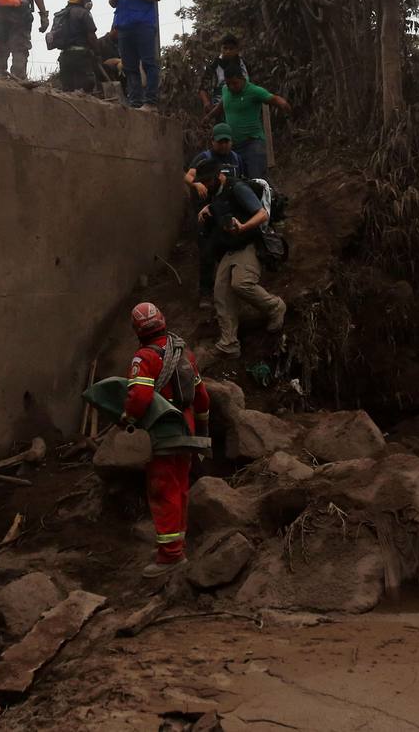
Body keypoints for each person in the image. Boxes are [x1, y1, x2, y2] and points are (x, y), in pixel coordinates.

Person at [121, 302, 211, 577]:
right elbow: (202, 398)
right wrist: (201, 429)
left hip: (165, 431)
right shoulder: (184, 354)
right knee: (180, 486)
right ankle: (176, 545)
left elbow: (140, 398)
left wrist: (128, 418)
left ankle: (170, 556)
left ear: (137, 330)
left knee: (163, 490)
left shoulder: (145, 358)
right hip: (186, 430)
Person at [195, 161, 286, 358]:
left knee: (241, 283)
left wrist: (243, 227)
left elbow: (262, 215)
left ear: (219, 175)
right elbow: (222, 203)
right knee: (220, 293)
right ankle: (229, 343)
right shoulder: (216, 193)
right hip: (229, 249)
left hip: (249, 244)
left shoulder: (238, 188)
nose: (205, 184)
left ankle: (275, 307)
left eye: (207, 180)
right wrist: (208, 209)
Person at [184, 126, 245, 302]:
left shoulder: (236, 159)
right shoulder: (204, 158)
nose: (224, 145)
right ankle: (205, 292)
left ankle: (232, 287)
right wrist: (196, 184)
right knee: (206, 251)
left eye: (227, 141)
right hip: (206, 211)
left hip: (227, 210)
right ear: (213, 141)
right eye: (220, 142)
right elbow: (188, 176)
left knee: (231, 247)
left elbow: (241, 180)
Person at [109, 0, 163, 108]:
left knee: (148, 63)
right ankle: (135, 102)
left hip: (144, 26)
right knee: (129, 67)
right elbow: (113, 4)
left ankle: (151, 101)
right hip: (124, 26)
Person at [219, 68, 291, 180]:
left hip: (253, 143)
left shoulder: (254, 91)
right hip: (234, 146)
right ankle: (276, 196)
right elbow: (222, 103)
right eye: (228, 84)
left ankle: (272, 196)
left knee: (256, 179)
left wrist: (285, 107)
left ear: (242, 79)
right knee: (240, 180)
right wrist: (208, 117)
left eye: (234, 83)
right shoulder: (225, 90)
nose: (231, 87)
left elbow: (275, 99)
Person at [49, 0, 100, 93]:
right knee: (85, 89)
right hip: (81, 58)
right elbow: (91, 36)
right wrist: (98, 52)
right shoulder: (84, 13)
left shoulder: (61, 14)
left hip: (64, 57)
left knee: (68, 90)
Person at [200, 35, 252, 114]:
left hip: (244, 107)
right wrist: (206, 102)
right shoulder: (214, 66)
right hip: (220, 110)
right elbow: (203, 88)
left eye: (231, 49)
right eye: (225, 48)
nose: (228, 51)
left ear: (237, 50)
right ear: (221, 49)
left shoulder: (244, 65)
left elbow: (253, 84)